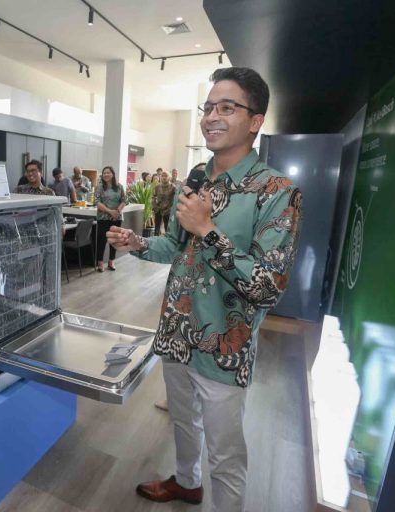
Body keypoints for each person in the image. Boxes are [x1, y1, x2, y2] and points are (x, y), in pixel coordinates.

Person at [106, 67, 303, 510]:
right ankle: (186, 483)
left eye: (227, 107)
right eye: (208, 107)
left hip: (223, 348)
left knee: (226, 454)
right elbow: (176, 247)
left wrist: (208, 230)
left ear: (255, 121)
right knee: (183, 422)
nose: (212, 117)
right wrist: (136, 243)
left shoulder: (277, 191)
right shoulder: (196, 177)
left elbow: (267, 287)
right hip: (177, 332)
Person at [94, 166, 126, 272]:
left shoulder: (119, 187)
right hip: (103, 218)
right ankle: (100, 262)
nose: (106, 175)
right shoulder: (99, 187)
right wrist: (110, 211)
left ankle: (111, 261)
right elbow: (97, 202)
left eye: (108, 172)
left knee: (115, 240)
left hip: (116, 217)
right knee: (101, 241)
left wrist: (117, 211)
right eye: (104, 173)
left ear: (113, 174)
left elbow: (124, 200)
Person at [152, 170, 175, 235]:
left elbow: (175, 199)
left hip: (168, 210)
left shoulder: (173, 187)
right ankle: (155, 239)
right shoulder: (157, 187)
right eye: (162, 176)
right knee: (157, 229)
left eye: (166, 176)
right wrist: (154, 206)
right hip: (158, 209)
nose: (164, 177)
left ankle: (167, 240)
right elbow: (152, 197)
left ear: (169, 177)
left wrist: (171, 208)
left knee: (167, 229)